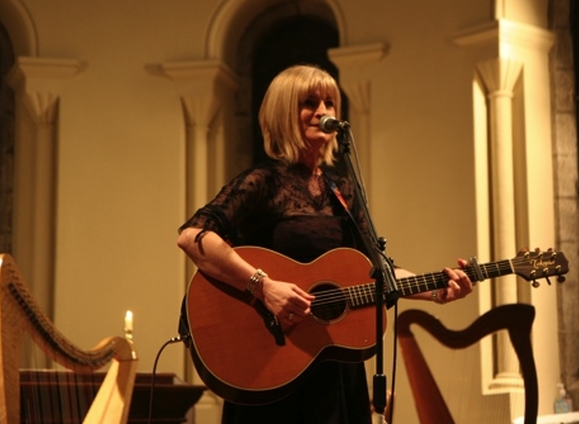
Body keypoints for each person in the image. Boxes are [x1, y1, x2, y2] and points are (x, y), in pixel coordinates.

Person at [177, 64, 473, 424]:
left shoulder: (343, 190)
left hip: (332, 366)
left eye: (330, 103)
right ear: (284, 113)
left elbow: (377, 270)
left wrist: (438, 291)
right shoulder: (263, 182)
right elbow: (192, 236)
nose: (323, 112)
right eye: (310, 102)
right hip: (271, 361)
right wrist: (264, 286)